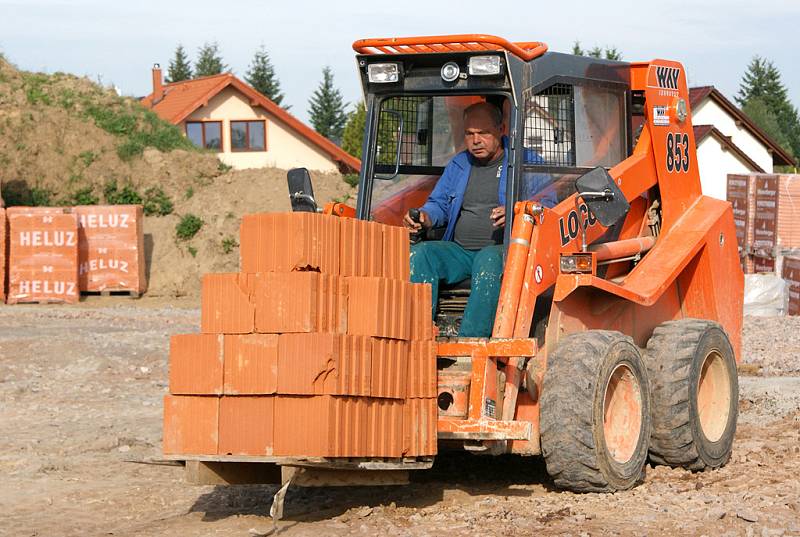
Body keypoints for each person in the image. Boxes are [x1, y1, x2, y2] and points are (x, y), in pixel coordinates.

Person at [403, 101, 508, 337]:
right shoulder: (460, 164)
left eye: (483, 133)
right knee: (421, 254)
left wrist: (514, 211)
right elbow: (439, 203)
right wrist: (425, 217)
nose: (476, 140)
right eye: (470, 134)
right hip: (461, 251)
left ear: (501, 129)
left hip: (503, 251)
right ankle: (417, 335)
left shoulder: (524, 162)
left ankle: (470, 343)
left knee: (488, 259)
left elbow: (547, 204)